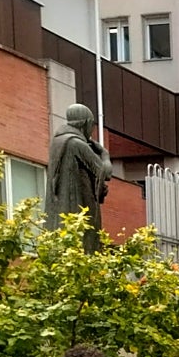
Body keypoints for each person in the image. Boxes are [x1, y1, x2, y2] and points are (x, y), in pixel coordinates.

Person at [45, 104, 112, 252]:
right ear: (85, 123)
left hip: (63, 214)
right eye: (91, 125)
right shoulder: (76, 143)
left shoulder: (58, 142)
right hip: (77, 212)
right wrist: (105, 154)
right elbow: (105, 173)